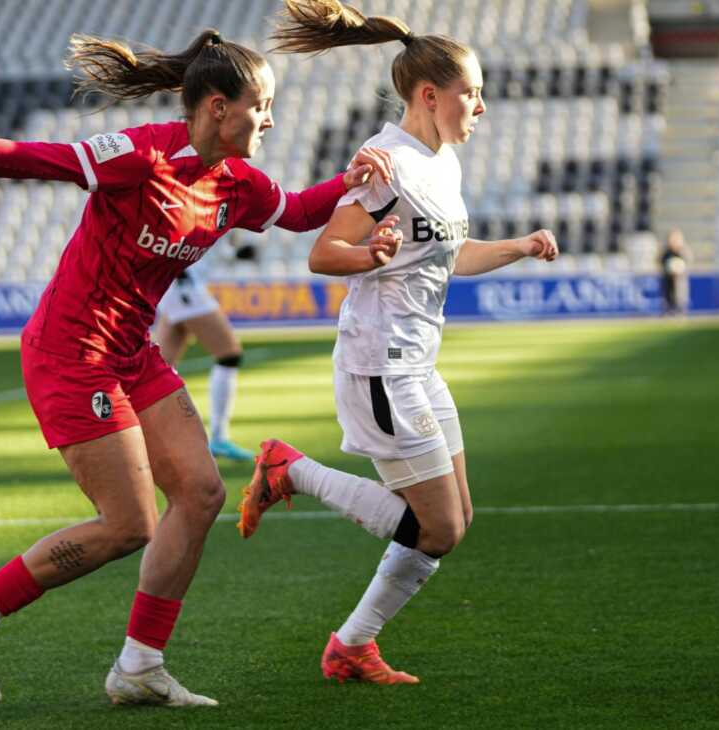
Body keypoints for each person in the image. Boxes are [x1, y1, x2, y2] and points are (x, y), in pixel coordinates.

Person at [0, 28, 394, 707]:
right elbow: (32, 158)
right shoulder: (142, 155)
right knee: (128, 524)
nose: (272, 119)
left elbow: (298, 212)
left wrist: (352, 181)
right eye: (263, 105)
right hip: (70, 356)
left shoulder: (237, 184)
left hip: (132, 354)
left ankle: (139, 667)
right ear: (219, 107)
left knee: (200, 493)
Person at [237, 0, 558, 685]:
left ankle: (352, 646)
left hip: (419, 365)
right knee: (435, 528)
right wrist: (370, 256)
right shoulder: (386, 165)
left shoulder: (441, 164)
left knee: (456, 519)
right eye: (471, 93)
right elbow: (324, 254)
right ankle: (289, 471)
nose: (481, 106)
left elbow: (448, 254)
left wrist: (520, 247)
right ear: (430, 94)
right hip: (379, 366)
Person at [153, 257, 254, 461]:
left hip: (176, 285)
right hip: (184, 286)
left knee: (159, 370)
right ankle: (218, 437)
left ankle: (153, 439)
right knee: (229, 354)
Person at [660, 228, 690, 315]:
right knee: (668, 299)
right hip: (668, 281)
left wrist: (679, 270)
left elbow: (687, 263)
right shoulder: (666, 252)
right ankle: (668, 311)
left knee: (680, 299)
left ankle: (680, 311)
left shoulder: (683, 251)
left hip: (679, 281)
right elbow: (661, 263)